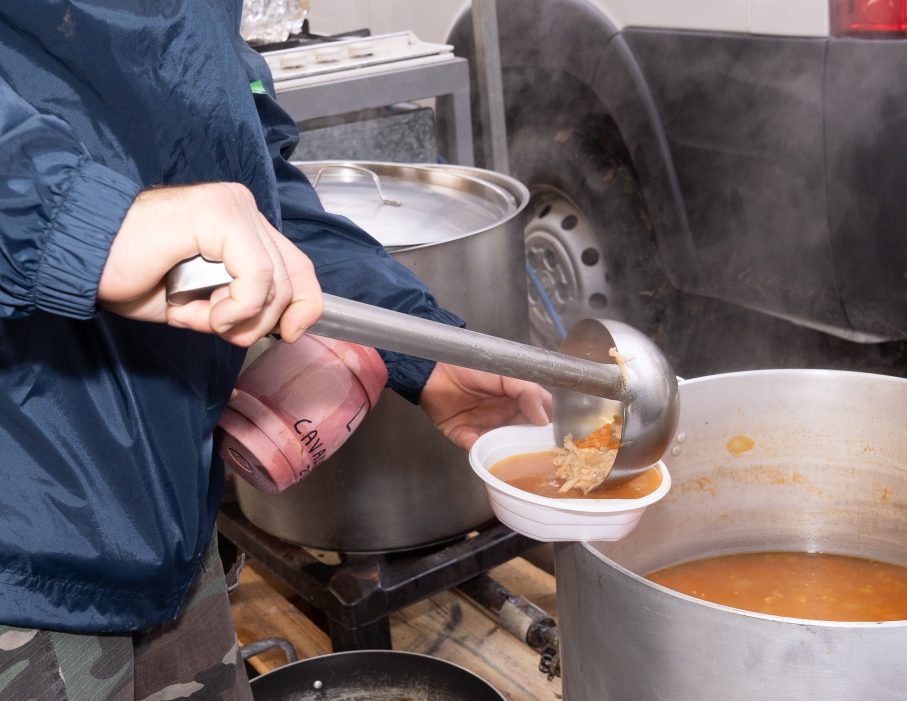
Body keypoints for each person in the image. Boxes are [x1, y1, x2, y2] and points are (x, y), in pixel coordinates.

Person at [0, 2, 551, 699]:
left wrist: (419, 342)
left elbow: (253, 191)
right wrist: (76, 222)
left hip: (165, 527)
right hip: (23, 561)